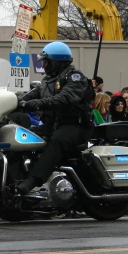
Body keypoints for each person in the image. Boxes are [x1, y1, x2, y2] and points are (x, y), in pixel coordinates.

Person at [16, 42, 94, 195]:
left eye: (46, 61)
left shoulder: (75, 78)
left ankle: (31, 181)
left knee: (57, 141)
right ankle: (16, 177)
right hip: (52, 125)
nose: (44, 65)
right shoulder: (47, 81)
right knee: (22, 136)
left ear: (57, 62)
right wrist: (11, 101)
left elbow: (63, 98)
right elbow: (26, 96)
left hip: (75, 127)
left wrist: (32, 104)